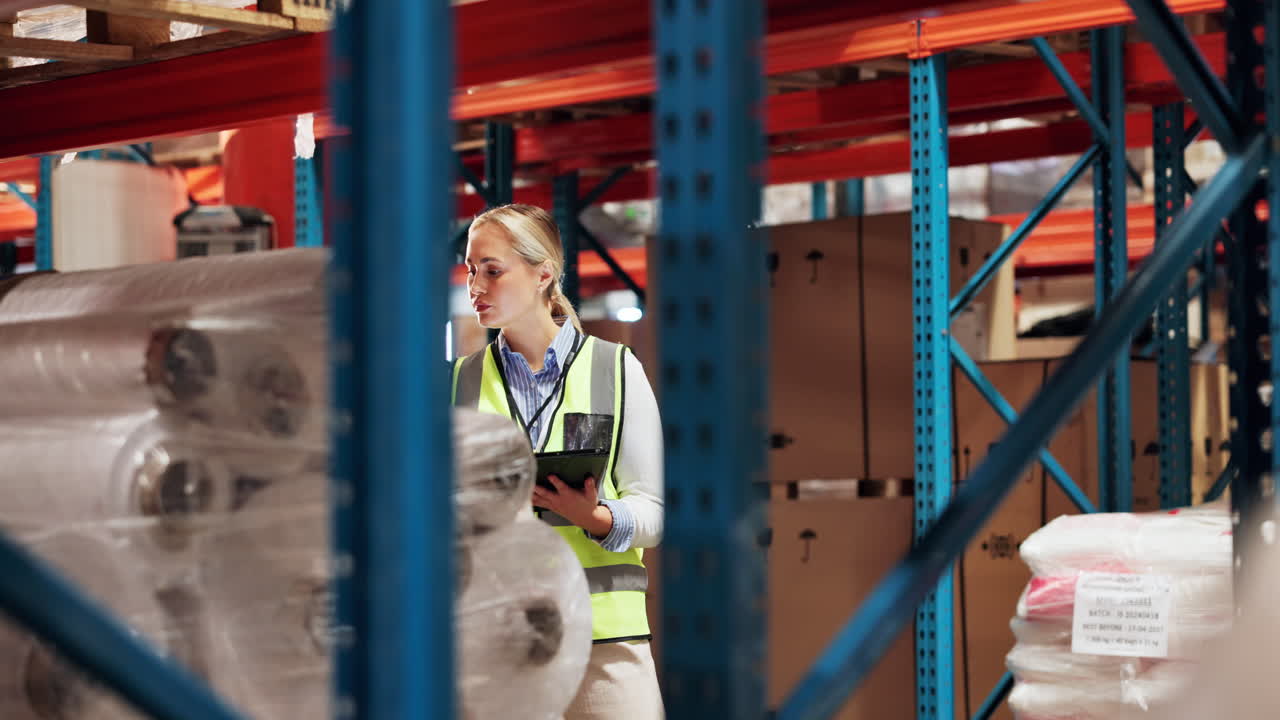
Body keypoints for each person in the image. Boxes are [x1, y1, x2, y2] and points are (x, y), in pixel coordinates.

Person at [451, 204, 665, 719]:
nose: (475, 286)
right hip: (497, 644)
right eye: (470, 269)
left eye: (492, 270)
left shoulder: (616, 370)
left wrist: (596, 518)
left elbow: (655, 513)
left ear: (543, 272)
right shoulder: (455, 384)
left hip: (606, 643)